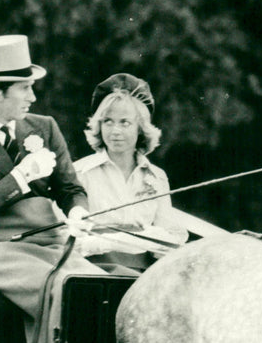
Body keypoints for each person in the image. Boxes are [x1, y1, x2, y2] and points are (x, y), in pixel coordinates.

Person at [0, 34, 110, 343]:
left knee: (96, 285)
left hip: (51, 244)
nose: (33, 97)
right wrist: (19, 177)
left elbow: (70, 187)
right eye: (25, 88)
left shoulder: (45, 126)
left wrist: (78, 211)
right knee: (60, 289)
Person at [74, 73, 187, 271]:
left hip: (145, 275)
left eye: (124, 122)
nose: (115, 130)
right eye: (108, 121)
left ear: (140, 129)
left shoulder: (156, 176)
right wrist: (113, 242)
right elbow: (68, 239)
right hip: (93, 272)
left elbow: (169, 236)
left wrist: (159, 240)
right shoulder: (80, 172)